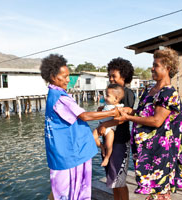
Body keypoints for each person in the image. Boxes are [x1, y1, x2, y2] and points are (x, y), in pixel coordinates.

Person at [116, 48, 182, 200]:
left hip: (161, 152)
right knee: (152, 190)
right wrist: (132, 111)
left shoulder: (169, 93)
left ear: (167, 68)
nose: (152, 68)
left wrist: (129, 119)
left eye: (156, 65)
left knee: (160, 191)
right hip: (147, 150)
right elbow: (145, 112)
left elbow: (157, 121)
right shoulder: (150, 89)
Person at [40, 54, 119, 200]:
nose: (68, 80)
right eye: (65, 76)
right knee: (69, 192)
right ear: (52, 76)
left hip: (65, 152)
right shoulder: (60, 99)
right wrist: (113, 112)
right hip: (70, 155)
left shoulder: (54, 94)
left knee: (59, 191)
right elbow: (84, 116)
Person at [97, 57, 135, 200]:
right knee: (112, 180)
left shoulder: (127, 93)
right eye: (110, 76)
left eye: (114, 76)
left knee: (120, 181)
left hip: (120, 142)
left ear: (124, 76)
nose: (111, 79)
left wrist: (104, 124)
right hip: (108, 141)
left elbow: (126, 114)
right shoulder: (111, 93)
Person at [93, 84, 125, 167]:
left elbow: (120, 116)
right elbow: (101, 111)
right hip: (100, 125)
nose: (105, 97)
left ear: (116, 99)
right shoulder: (106, 106)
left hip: (110, 129)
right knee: (93, 137)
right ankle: (102, 148)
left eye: (107, 95)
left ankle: (107, 158)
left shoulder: (118, 107)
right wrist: (100, 109)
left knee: (109, 144)